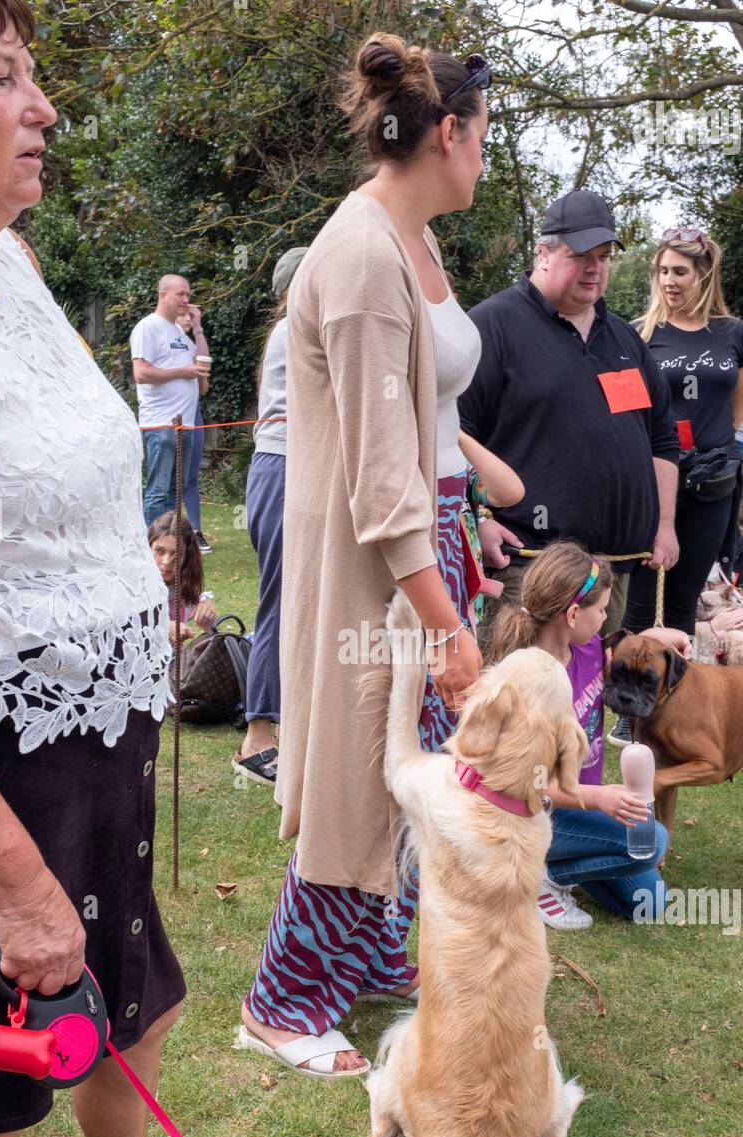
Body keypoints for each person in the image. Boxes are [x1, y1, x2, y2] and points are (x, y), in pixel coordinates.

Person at [0, 0, 246, 1137]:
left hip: (99, 717)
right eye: (4, 76)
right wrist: (13, 879)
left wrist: (135, 590)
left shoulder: (3, 262)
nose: (46, 108)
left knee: (130, 990)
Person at [238, 33, 488, 1077]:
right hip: (375, 564)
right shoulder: (358, 257)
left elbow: (425, 428)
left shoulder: (404, 243)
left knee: (405, 774)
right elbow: (382, 475)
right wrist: (444, 623)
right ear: (445, 133)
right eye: (482, 136)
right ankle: (282, 1003)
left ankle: (378, 944)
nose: (484, 155)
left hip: (423, 545)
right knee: (359, 769)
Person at [457, 187, 681, 642]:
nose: (594, 268)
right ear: (543, 252)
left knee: (586, 703)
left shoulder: (624, 338)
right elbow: (451, 433)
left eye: (604, 256)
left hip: (613, 569)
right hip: (531, 568)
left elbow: (661, 438)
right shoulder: (491, 326)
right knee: (518, 701)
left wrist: (664, 525)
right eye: (581, 255)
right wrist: (477, 519)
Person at [485, 544, 691, 927]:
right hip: (532, 814)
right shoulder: (526, 678)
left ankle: (561, 863)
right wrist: (599, 798)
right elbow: (525, 782)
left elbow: (631, 647)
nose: (605, 619)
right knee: (654, 839)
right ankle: (546, 878)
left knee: (648, 903)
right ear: (574, 613)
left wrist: (665, 637)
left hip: (578, 810)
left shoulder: (592, 650)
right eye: (601, 610)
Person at [614, 228, 743, 744]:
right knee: (638, 597)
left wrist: (712, 453)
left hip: (712, 482)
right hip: (654, 479)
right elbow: (627, 411)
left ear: (703, 275)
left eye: (679, 271)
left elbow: (736, 411)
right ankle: (625, 706)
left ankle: (667, 710)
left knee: (684, 596)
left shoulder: (734, 334)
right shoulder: (640, 333)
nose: (669, 281)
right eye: (662, 271)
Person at [232, 246, 308, 788]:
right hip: (283, 469)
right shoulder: (295, 332)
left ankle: (287, 732)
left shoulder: (295, 329)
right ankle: (257, 739)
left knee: (298, 604)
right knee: (279, 603)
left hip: (292, 468)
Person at [130, 274, 210, 525]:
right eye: (180, 294)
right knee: (159, 490)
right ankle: (151, 547)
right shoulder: (148, 327)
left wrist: (197, 328)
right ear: (162, 295)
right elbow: (141, 374)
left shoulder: (178, 330)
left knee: (177, 492)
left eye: (188, 295)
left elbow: (203, 364)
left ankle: (171, 547)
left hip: (184, 424)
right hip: (161, 424)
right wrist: (183, 372)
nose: (186, 300)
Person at [169, 308, 212, 553]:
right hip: (171, 418)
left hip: (194, 416)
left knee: (191, 477)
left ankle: (195, 531)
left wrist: (198, 328)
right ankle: (168, 530)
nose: (188, 318)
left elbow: (204, 388)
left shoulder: (192, 345)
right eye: (184, 314)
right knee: (170, 479)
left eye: (191, 315)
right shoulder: (168, 342)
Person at [147, 511, 217, 643]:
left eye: (177, 554)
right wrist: (164, 628)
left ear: (188, 557)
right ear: (148, 547)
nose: (166, 561)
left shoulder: (184, 588)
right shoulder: (133, 589)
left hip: (176, 661)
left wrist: (207, 612)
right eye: (159, 551)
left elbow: (212, 633)